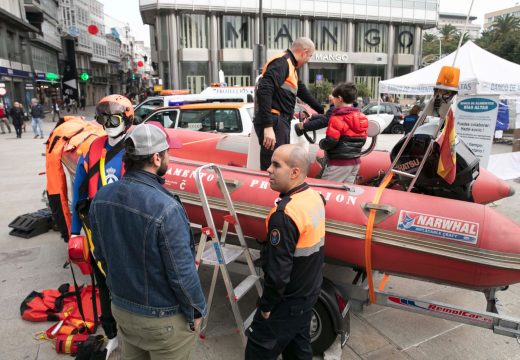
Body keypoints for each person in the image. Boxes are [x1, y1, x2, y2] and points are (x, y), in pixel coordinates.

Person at [89, 123, 206, 359]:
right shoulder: (166, 208)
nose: (168, 158)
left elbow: (100, 254)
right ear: (155, 158)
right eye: (166, 153)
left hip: (122, 308)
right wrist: (195, 309)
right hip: (162, 320)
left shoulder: (101, 197)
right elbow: (181, 272)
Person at [245, 144, 326, 360]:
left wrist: (266, 306)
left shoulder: (285, 215)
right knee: (298, 350)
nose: (268, 170)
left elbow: (278, 272)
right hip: (308, 294)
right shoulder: (314, 197)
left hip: (286, 304)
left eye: (275, 165)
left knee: (257, 350)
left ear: (295, 172)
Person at [70, 94, 134, 357]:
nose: (109, 124)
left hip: (126, 229)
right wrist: (75, 231)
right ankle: (111, 334)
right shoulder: (92, 148)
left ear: (128, 119)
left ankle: (133, 332)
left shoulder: (136, 148)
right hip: (96, 228)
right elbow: (79, 191)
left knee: (129, 283)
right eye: (103, 118)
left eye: (115, 118)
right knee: (104, 284)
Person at [254, 37, 324, 170]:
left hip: (280, 122)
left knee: (279, 164)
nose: (308, 60)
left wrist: (322, 110)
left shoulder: (291, 67)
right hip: (275, 121)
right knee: (274, 165)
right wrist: (268, 126)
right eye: (309, 56)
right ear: (304, 52)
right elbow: (264, 90)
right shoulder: (282, 62)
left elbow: (303, 92)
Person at [318, 83, 369, 184]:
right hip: (355, 162)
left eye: (334, 98)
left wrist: (321, 143)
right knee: (345, 193)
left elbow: (331, 141)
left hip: (339, 163)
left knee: (325, 190)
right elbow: (363, 139)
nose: (332, 100)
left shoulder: (337, 117)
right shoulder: (361, 116)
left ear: (339, 98)